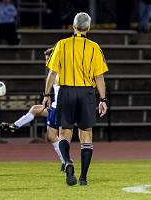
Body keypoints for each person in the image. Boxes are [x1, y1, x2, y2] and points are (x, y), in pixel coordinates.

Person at [42, 12, 108, 186]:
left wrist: (47, 95)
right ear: (88, 27)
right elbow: (99, 77)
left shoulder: (61, 45)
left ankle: (68, 162)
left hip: (66, 92)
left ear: (73, 26)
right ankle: (83, 178)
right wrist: (103, 99)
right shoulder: (94, 47)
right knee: (86, 136)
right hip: (86, 93)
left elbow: (52, 73)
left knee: (64, 133)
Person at [0, 48, 65, 171]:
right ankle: (15, 126)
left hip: (62, 107)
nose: (47, 62)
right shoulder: (57, 70)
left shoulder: (57, 71)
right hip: (58, 106)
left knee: (53, 136)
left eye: (48, 59)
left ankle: (66, 161)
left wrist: (49, 97)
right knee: (35, 109)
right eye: (46, 60)